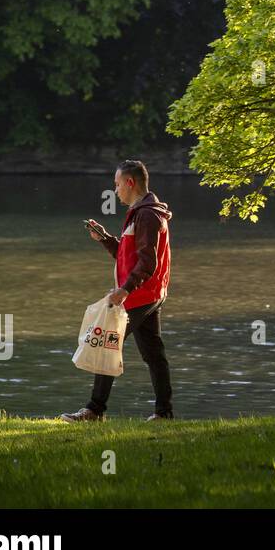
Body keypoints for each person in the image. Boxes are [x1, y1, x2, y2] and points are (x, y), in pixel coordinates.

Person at [60, 160, 174, 422]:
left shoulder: (146, 215)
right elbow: (128, 256)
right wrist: (105, 239)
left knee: (106, 343)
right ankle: (164, 413)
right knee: (154, 354)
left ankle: (95, 410)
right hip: (150, 293)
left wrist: (125, 290)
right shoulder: (142, 212)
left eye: (117, 183)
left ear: (130, 183)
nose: (115, 189)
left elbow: (148, 263)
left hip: (140, 294)